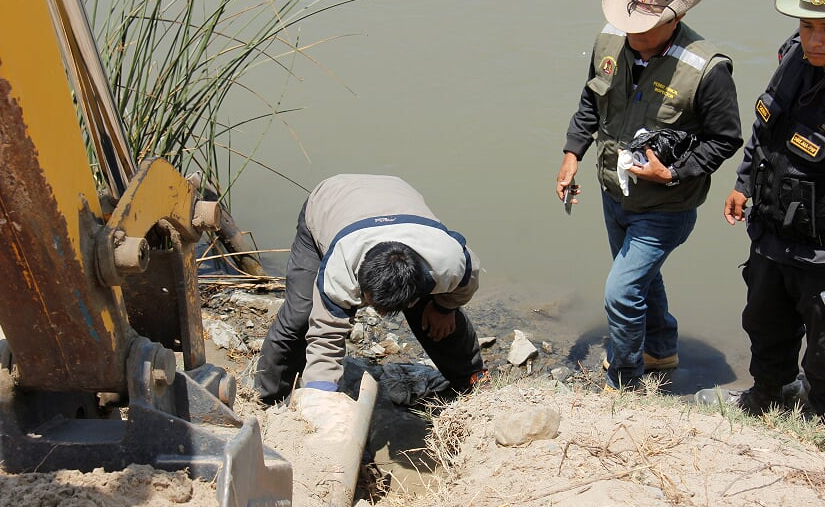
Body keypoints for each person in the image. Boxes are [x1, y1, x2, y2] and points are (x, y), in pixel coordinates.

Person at [556, 0, 743, 390]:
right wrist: (572, 154)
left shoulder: (706, 69)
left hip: (666, 205)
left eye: (645, 27)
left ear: (678, 18)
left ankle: (623, 384)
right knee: (640, 281)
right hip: (615, 191)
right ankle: (659, 349)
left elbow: (724, 140)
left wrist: (673, 172)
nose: (633, 34)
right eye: (629, 25)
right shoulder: (609, 40)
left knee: (621, 293)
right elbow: (591, 101)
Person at [255, 174, 487, 404]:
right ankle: (267, 398)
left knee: (435, 313)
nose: (378, 314)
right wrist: (320, 394)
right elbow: (325, 337)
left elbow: (468, 282)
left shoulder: (449, 261)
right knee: (300, 314)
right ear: (359, 281)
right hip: (330, 200)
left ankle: (471, 381)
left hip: (397, 193)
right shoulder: (340, 270)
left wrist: (444, 307)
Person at [722, 0, 825, 418]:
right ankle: (767, 394)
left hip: (820, 253)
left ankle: (816, 415)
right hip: (771, 233)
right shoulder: (792, 57)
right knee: (764, 322)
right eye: (807, 26)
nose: (814, 40)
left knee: (823, 346)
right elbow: (765, 131)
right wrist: (743, 183)